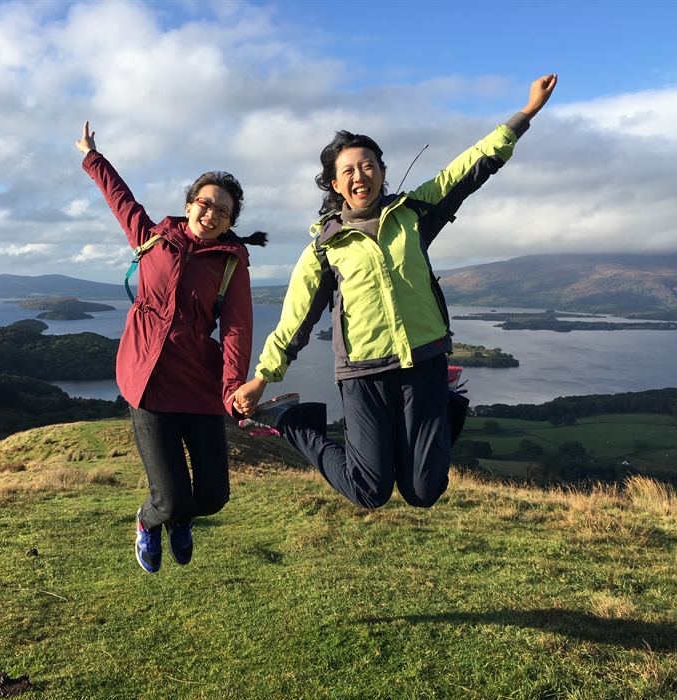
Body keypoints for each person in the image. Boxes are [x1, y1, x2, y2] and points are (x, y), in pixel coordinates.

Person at [232, 75, 558, 510]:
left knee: (423, 491)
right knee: (370, 490)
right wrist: (262, 378)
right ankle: (291, 420)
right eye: (347, 171)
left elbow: (466, 169)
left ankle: (444, 402)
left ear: (383, 172)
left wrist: (526, 113)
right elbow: (295, 321)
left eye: (368, 166)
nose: (359, 176)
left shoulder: (413, 214)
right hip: (362, 374)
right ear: (335, 185)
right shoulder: (324, 249)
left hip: (423, 360)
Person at [76, 121, 266, 572]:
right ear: (189, 205)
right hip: (149, 381)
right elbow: (121, 200)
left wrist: (232, 388)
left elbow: (236, 331)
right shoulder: (153, 237)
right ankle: (150, 520)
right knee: (171, 495)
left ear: (230, 223)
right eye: (206, 203)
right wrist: (93, 157)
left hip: (198, 385)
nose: (211, 214)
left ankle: (179, 519)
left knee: (214, 496)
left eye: (223, 211)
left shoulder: (231, 265)